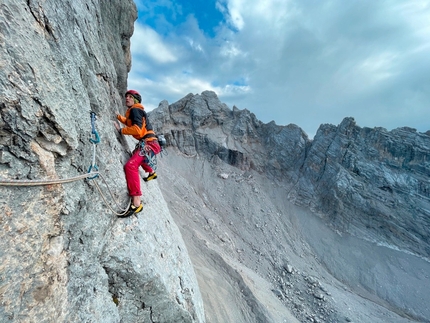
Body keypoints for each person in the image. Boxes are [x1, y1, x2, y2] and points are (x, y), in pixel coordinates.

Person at [114, 90, 161, 217]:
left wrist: (121, 130)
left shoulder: (135, 110)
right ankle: (151, 173)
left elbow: (137, 130)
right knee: (139, 156)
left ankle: (137, 203)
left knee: (131, 165)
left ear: (135, 100)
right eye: (126, 97)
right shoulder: (136, 110)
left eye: (130, 97)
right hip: (151, 143)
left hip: (148, 144)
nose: (127, 98)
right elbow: (131, 123)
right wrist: (119, 117)